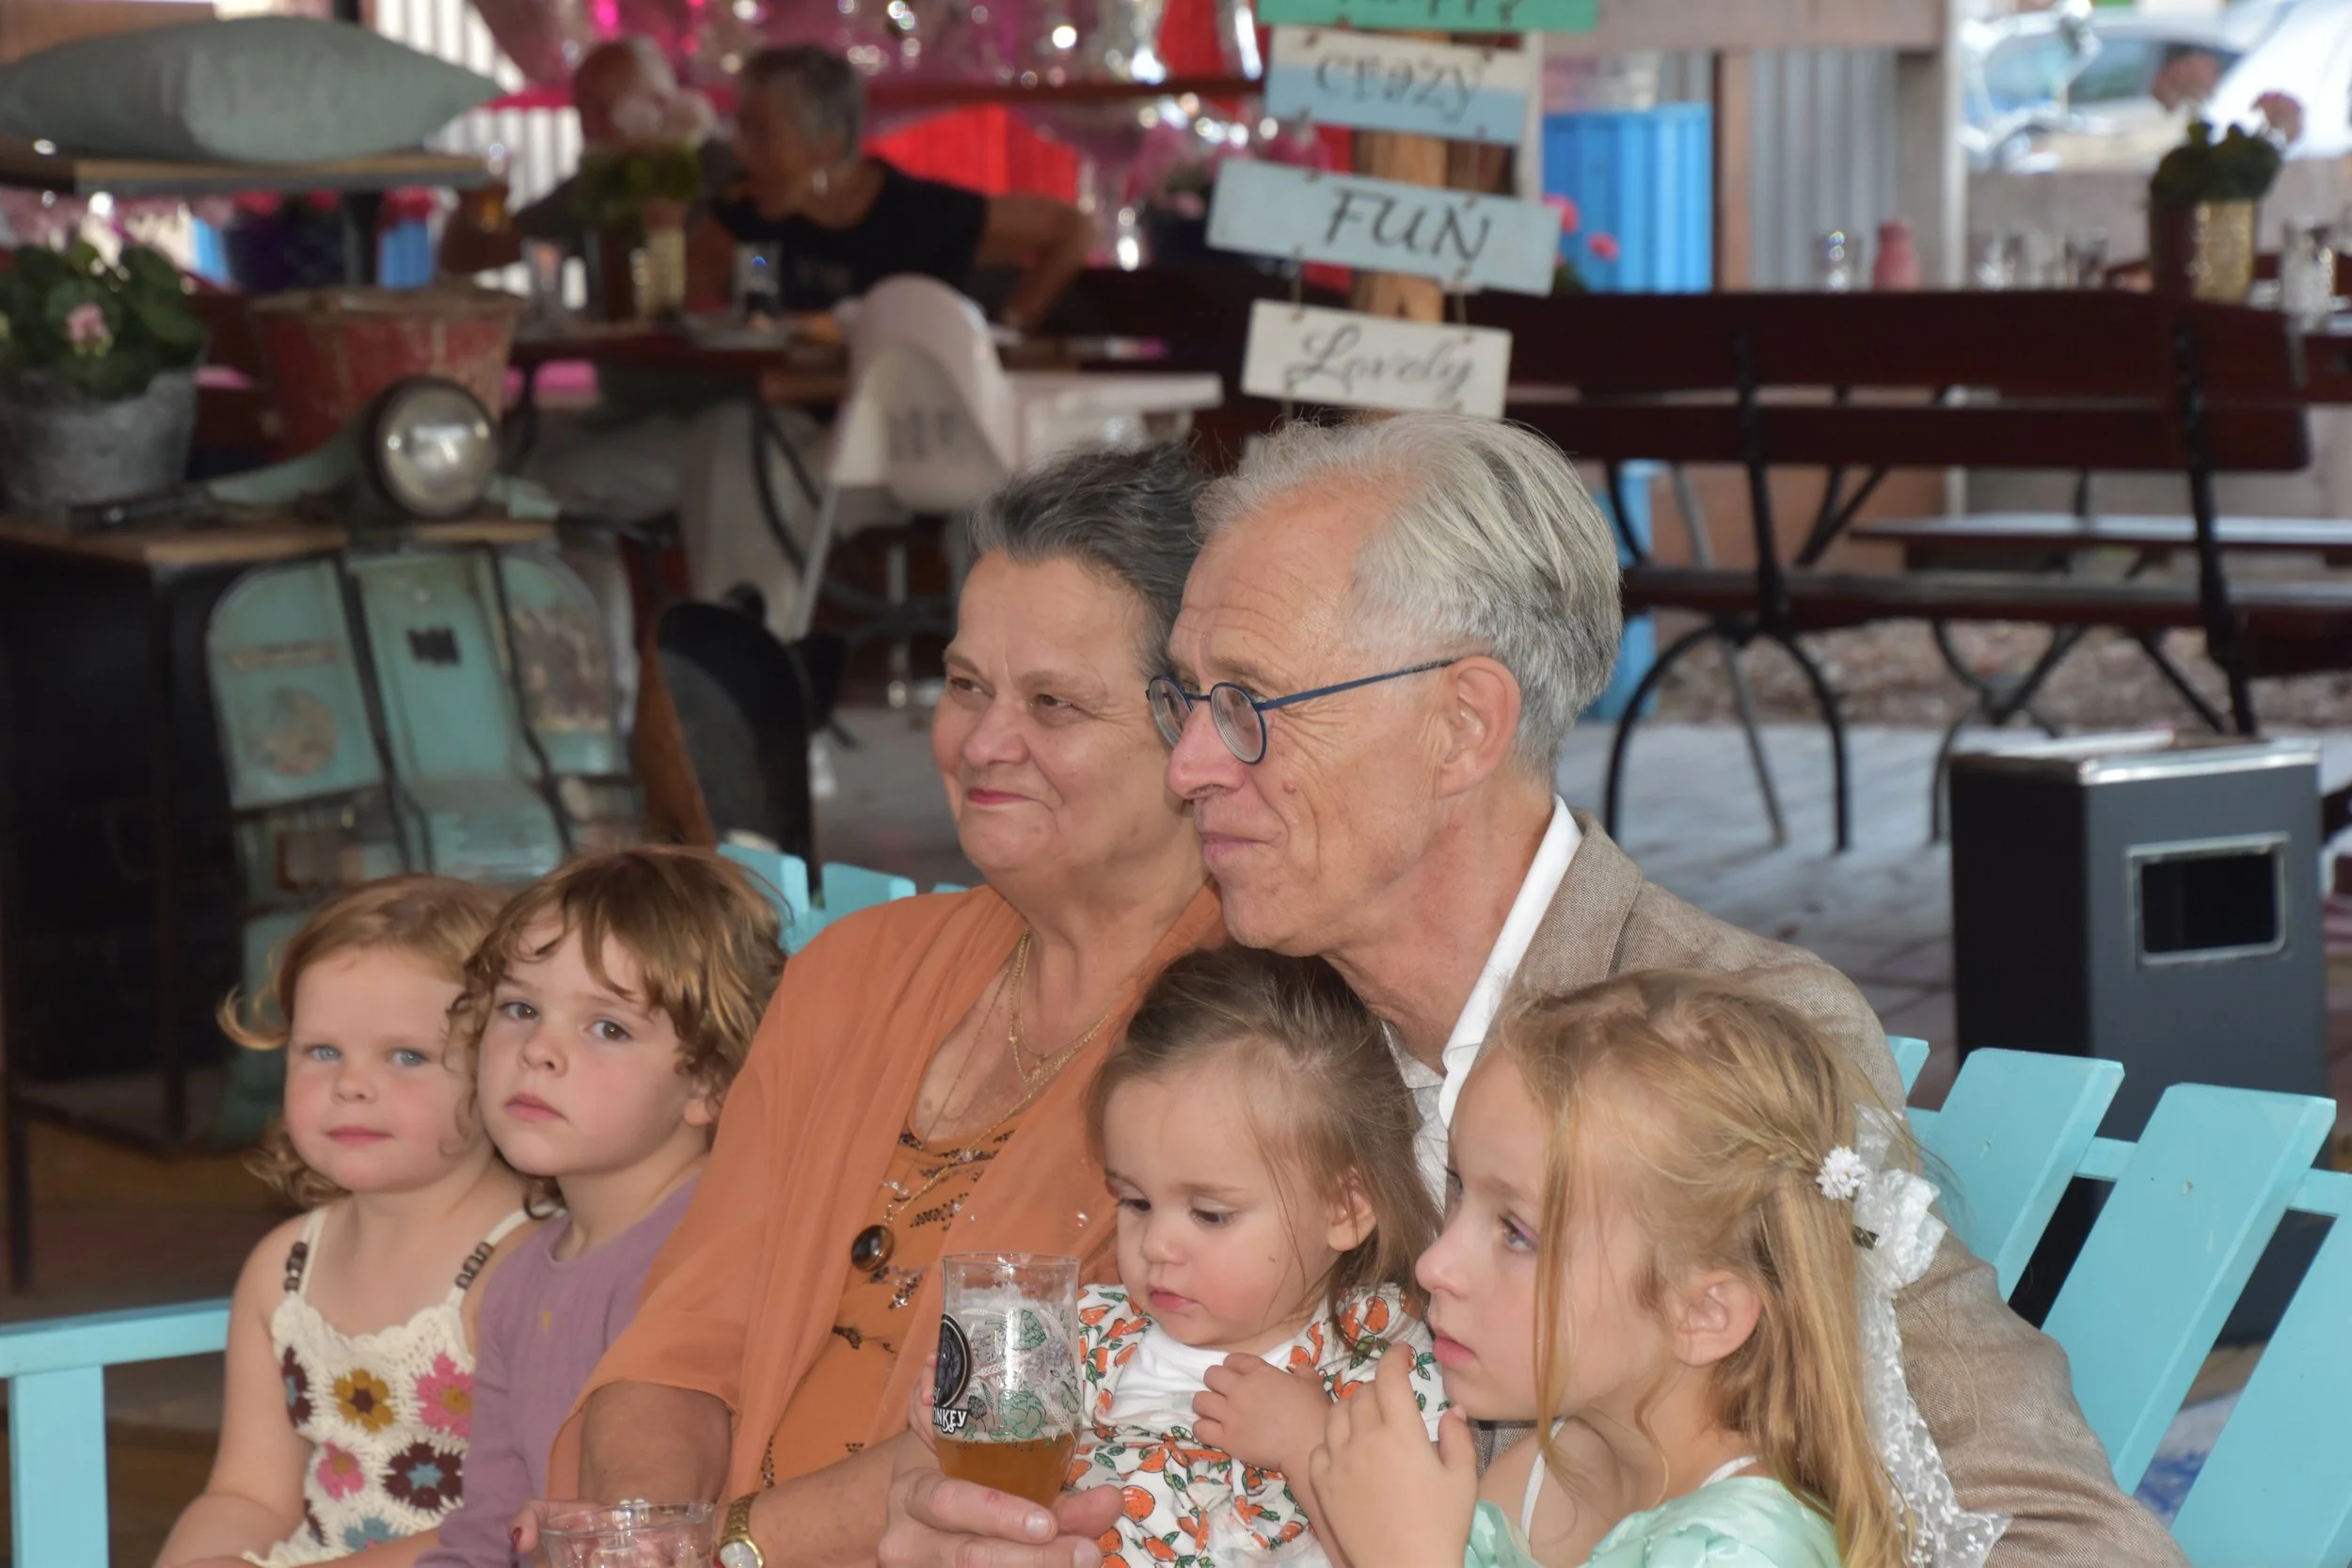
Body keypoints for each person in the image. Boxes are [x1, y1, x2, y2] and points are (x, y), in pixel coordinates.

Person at [882, 414, 2186, 1568]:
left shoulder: (1719, 1038)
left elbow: (2056, 1526)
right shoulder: (1251, 1021)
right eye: (1185, 698)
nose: (1191, 764)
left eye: (1253, 702)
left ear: (1463, 723)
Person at [518, 441, 1222, 1568]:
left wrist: (723, 1549)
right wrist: (644, 1535)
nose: (982, 742)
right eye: (965, 685)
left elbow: (1017, 1455)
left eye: (1052, 703)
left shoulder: (1242, 1048)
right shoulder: (854, 973)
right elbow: (681, 1348)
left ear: (1198, 730)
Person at [1311, 972, 2003, 1568]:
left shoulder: (1745, 1549)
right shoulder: (1543, 1475)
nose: (1434, 1263)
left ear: (1702, 1312)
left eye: (1516, 1233)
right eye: (1460, 1189)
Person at [417, 847, 784, 1568]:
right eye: (520, 1008)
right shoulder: (517, 1279)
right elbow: (488, 1528)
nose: (538, 1050)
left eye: (608, 1027)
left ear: (709, 1083)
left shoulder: (718, 1251)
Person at [156, 878, 532, 1568]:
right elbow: (247, 1493)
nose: (351, 1084)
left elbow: (510, 1527)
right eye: (322, 1051)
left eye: (407, 1055)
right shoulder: (285, 1268)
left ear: (500, 1067)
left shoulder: (523, 1268)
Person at [1042, 945, 1443, 1568]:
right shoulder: (1085, 1336)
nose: (1155, 1246)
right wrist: (952, 1419)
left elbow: (1416, 1554)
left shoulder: (1383, 1372)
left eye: (1210, 1214)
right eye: (1136, 1201)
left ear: (1343, 1209)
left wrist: (1308, 1448)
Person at [707, 45, 1096, 333]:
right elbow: (709, 309)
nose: (741, 149)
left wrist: (1007, 330)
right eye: (740, 128)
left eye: (760, 133)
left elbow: (1073, 228)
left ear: (826, 144)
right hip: (779, 401)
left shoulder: (914, 213)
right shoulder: (749, 213)